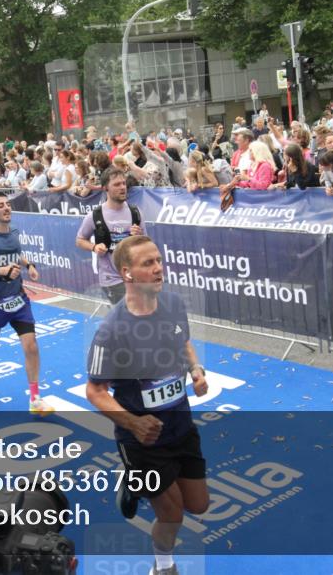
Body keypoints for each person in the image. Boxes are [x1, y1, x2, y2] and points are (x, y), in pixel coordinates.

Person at [85, 235, 209, 575]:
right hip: (143, 441)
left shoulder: (173, 305)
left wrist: (196, 370)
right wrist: (133, 423)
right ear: (126, 273)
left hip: (181, 428)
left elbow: (184, 342)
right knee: (172, 515)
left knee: (199, 505)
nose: (158, 269)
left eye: (158, 261)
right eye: (147, 264)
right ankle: (163, 566)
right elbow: (95, 391)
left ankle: (133, 484)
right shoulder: (111, 331)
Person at [0, 192, 53, 417]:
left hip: (18, 299)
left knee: (31, 345)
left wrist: (29, 265)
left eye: (8, 204)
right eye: (1, 205)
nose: (7, 208)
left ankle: (35, 398)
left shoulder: (14, 232)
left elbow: (17, 254)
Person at [76, 169, 144, 304]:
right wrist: (94, 247)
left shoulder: (135, 212)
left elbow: (146, 243)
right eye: (117, 184)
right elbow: (80, 240)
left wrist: (140, 236)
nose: (123, 187)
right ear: (105, 188)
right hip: (112, 279)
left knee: (135, 318)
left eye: (124, 183)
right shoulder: (95, 215)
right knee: (131, 314)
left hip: (134, 276)